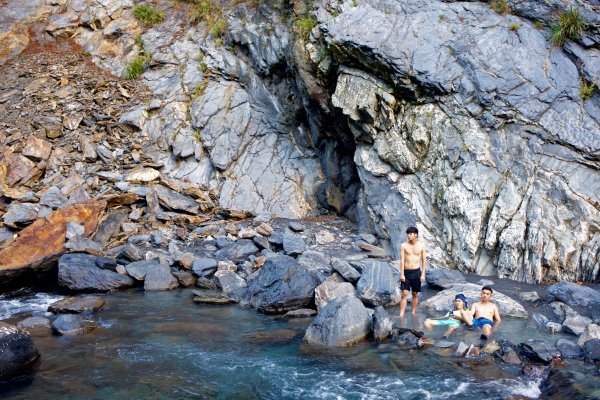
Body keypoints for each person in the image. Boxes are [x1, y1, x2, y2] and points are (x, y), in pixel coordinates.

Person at [399, 226, 426, 318]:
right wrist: (402, 273)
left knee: (415, 293)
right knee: (404, 293)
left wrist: (423, 275)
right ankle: (401, 314)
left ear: (415, 235)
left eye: (410, 234)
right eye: (408, 234)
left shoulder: (422, 246)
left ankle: (413, 313)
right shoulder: (403, 246)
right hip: (406, 272)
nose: (408, 236)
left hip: (416, 272)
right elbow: (402, 260)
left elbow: (424, 261)